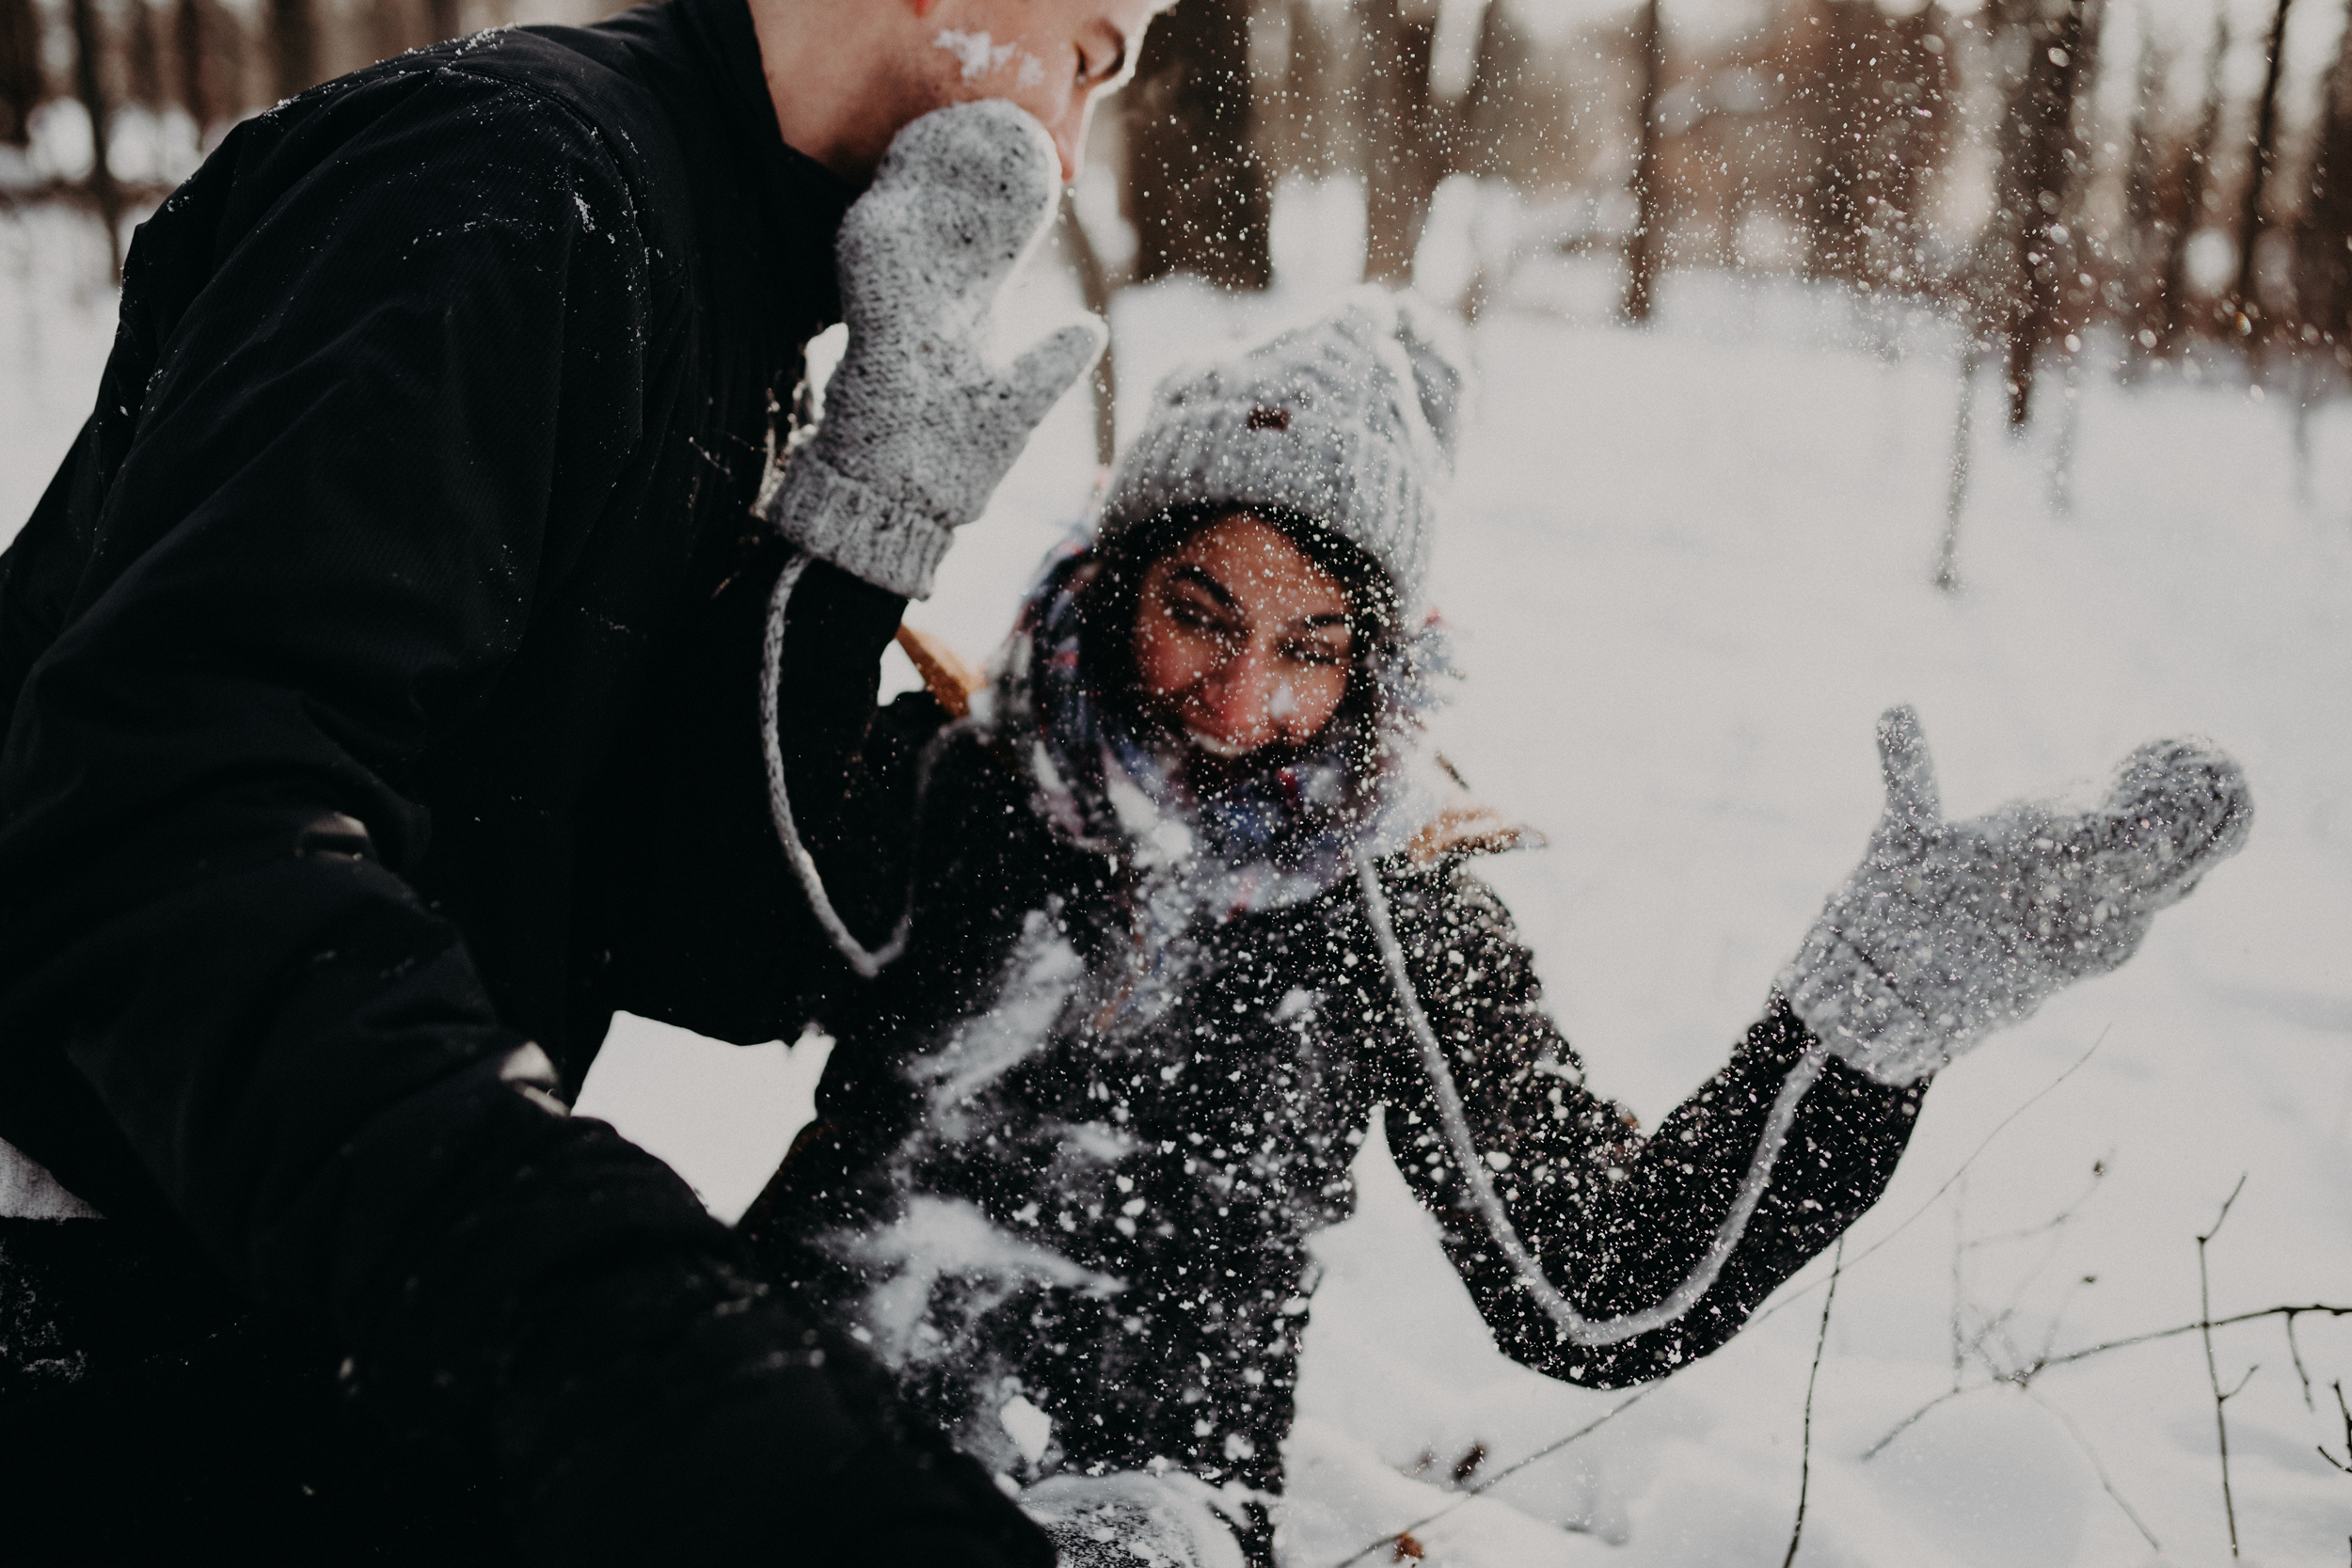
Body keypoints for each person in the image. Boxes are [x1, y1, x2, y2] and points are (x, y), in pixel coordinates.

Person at [736, 293, 2256, 1568]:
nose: (1245, 696)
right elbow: (693, 935)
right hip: (768, 1399)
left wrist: (1868, 1017)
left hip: (1133, 1510)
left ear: (1376, 665)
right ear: (1120, 577)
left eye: (1312, 648)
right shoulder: (967, 781)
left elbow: (1595, 1288)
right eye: (1201, 612)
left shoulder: (1395, 916)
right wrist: (843, 536)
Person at [0, 0, 1163, 1560]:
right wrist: (626, 1352)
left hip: (304, 1245)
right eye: (1091, 50)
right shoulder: (508, 176)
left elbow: (664, 919)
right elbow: (168, 820)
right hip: (99, 1280)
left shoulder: (720, 262)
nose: (1073, 147)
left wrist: (853, 550)